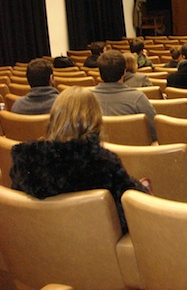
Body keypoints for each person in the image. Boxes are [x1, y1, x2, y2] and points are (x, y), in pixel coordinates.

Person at [9, 86, 150, 234]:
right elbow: (130, 216)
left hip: (39, 247)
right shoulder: (103, 164)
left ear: (54, 118)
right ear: (95, 121)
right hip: (95, 248)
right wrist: (141, 189)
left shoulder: (26, 162)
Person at [91, 50, 157, 141]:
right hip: (134, 152)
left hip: (99, 152)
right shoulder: (137, 98)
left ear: (100, 73)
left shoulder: (87, 98)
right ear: (124, 72)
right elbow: (155, 131)